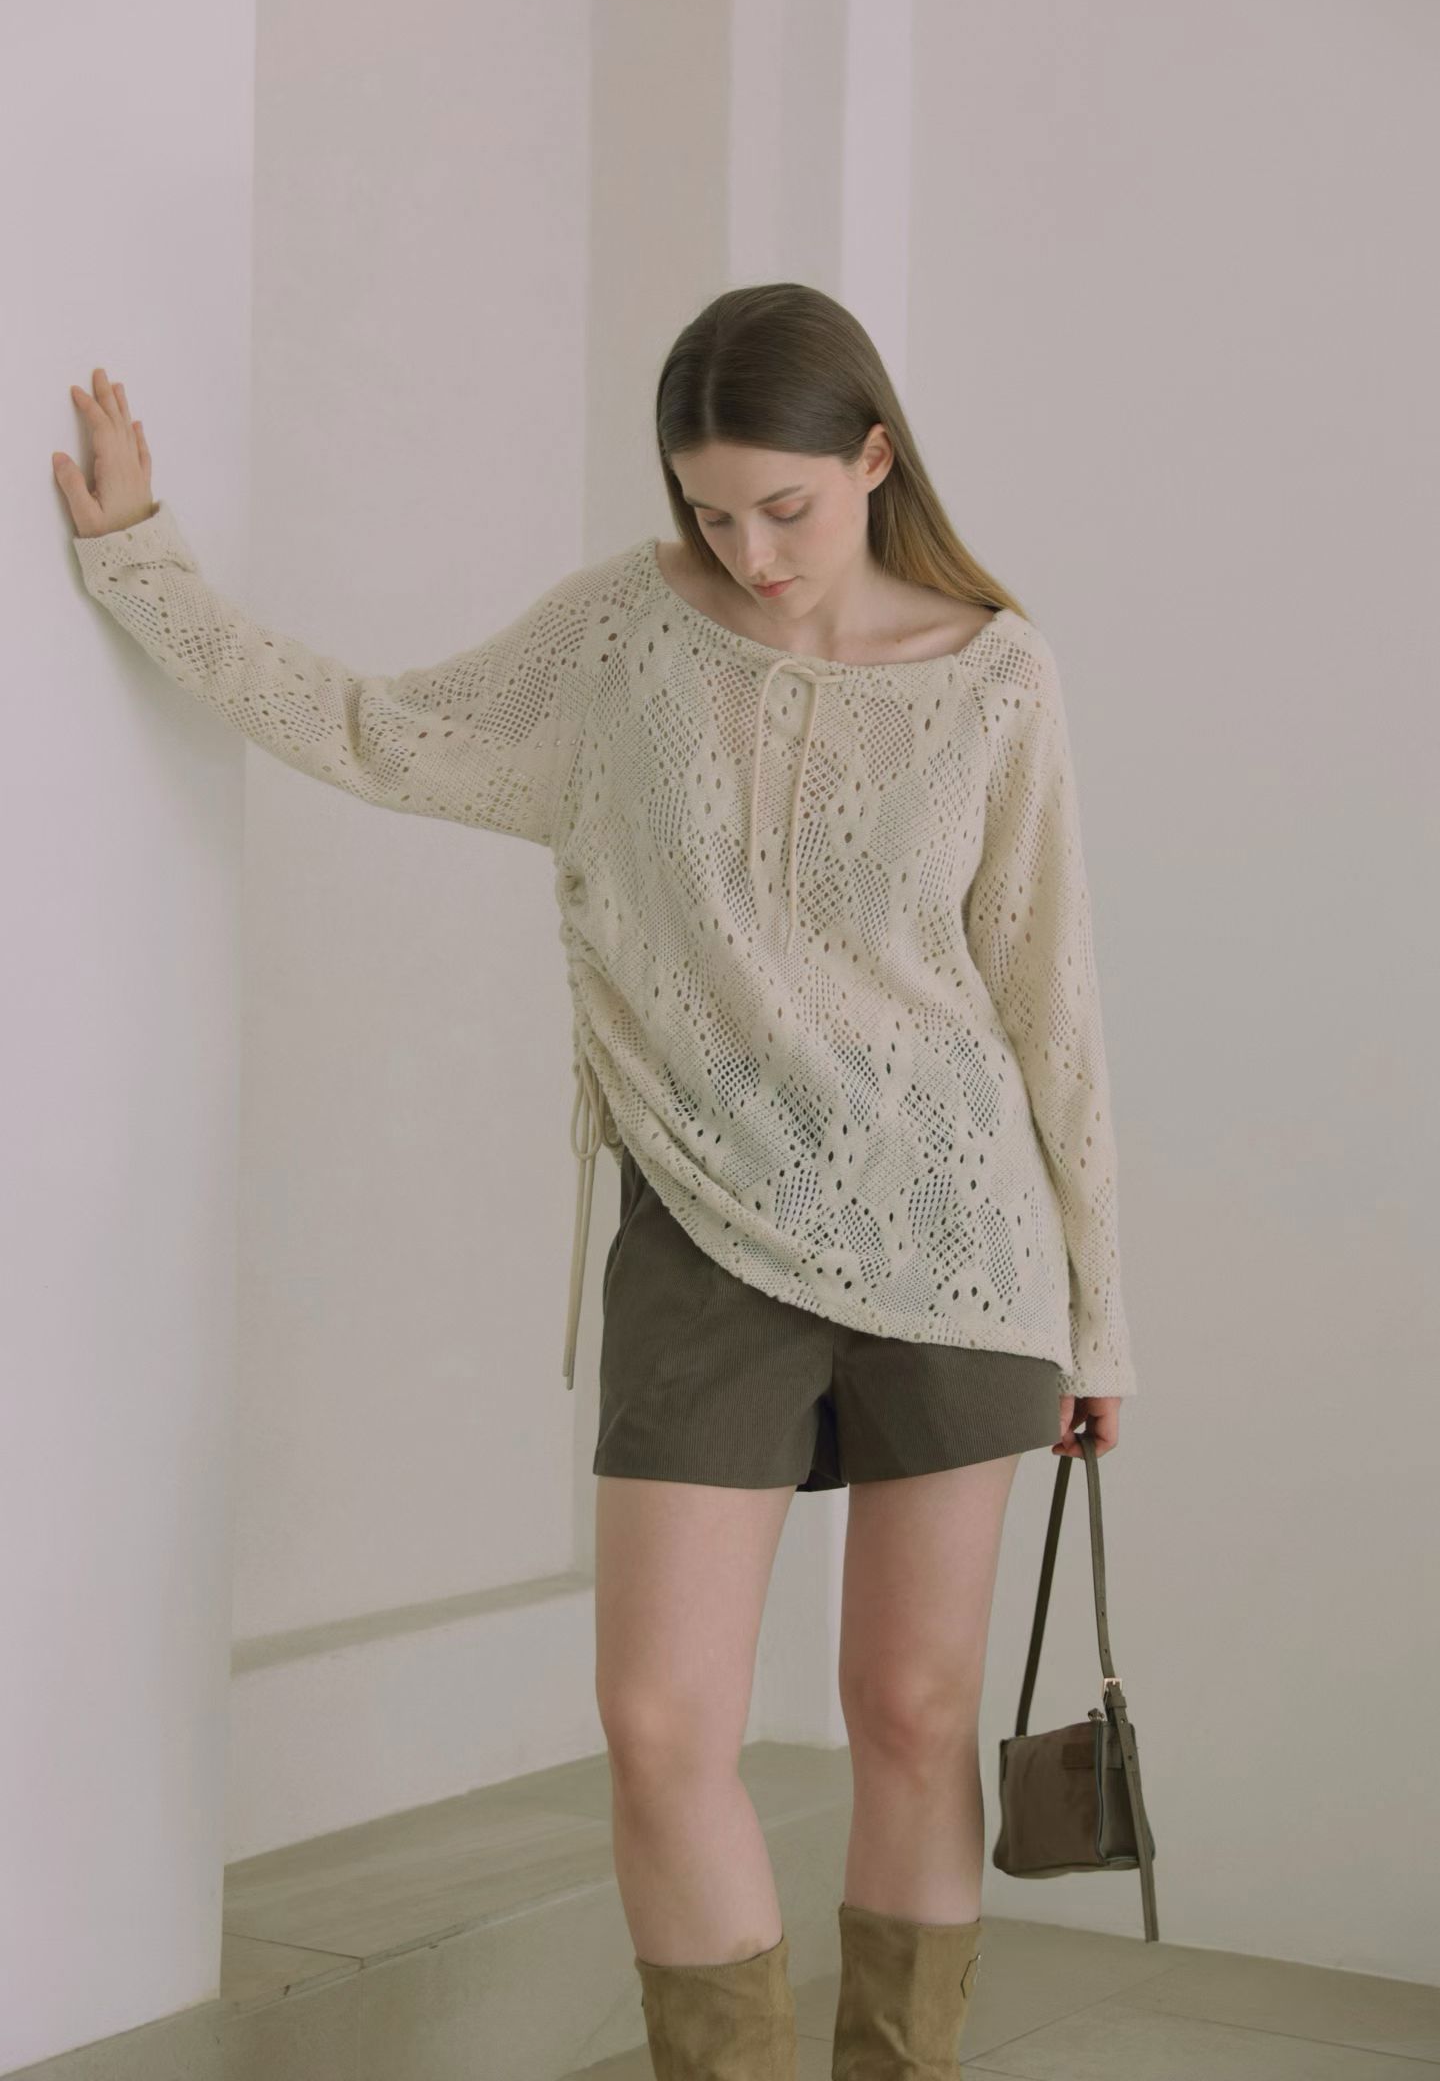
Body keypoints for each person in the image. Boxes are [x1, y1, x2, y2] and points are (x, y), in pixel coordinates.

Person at [53, 282, 1136, 2081]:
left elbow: (1051, 999)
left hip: (959, 1244)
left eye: (785, 506)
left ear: (874, 458)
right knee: (657, 1721)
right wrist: (144, 566)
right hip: (704, 1230)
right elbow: (382, 730)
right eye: (712, 510)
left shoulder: (997, 676)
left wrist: (1104, 1321)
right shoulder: (626, 634)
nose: (751, 552)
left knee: (910, 1709)